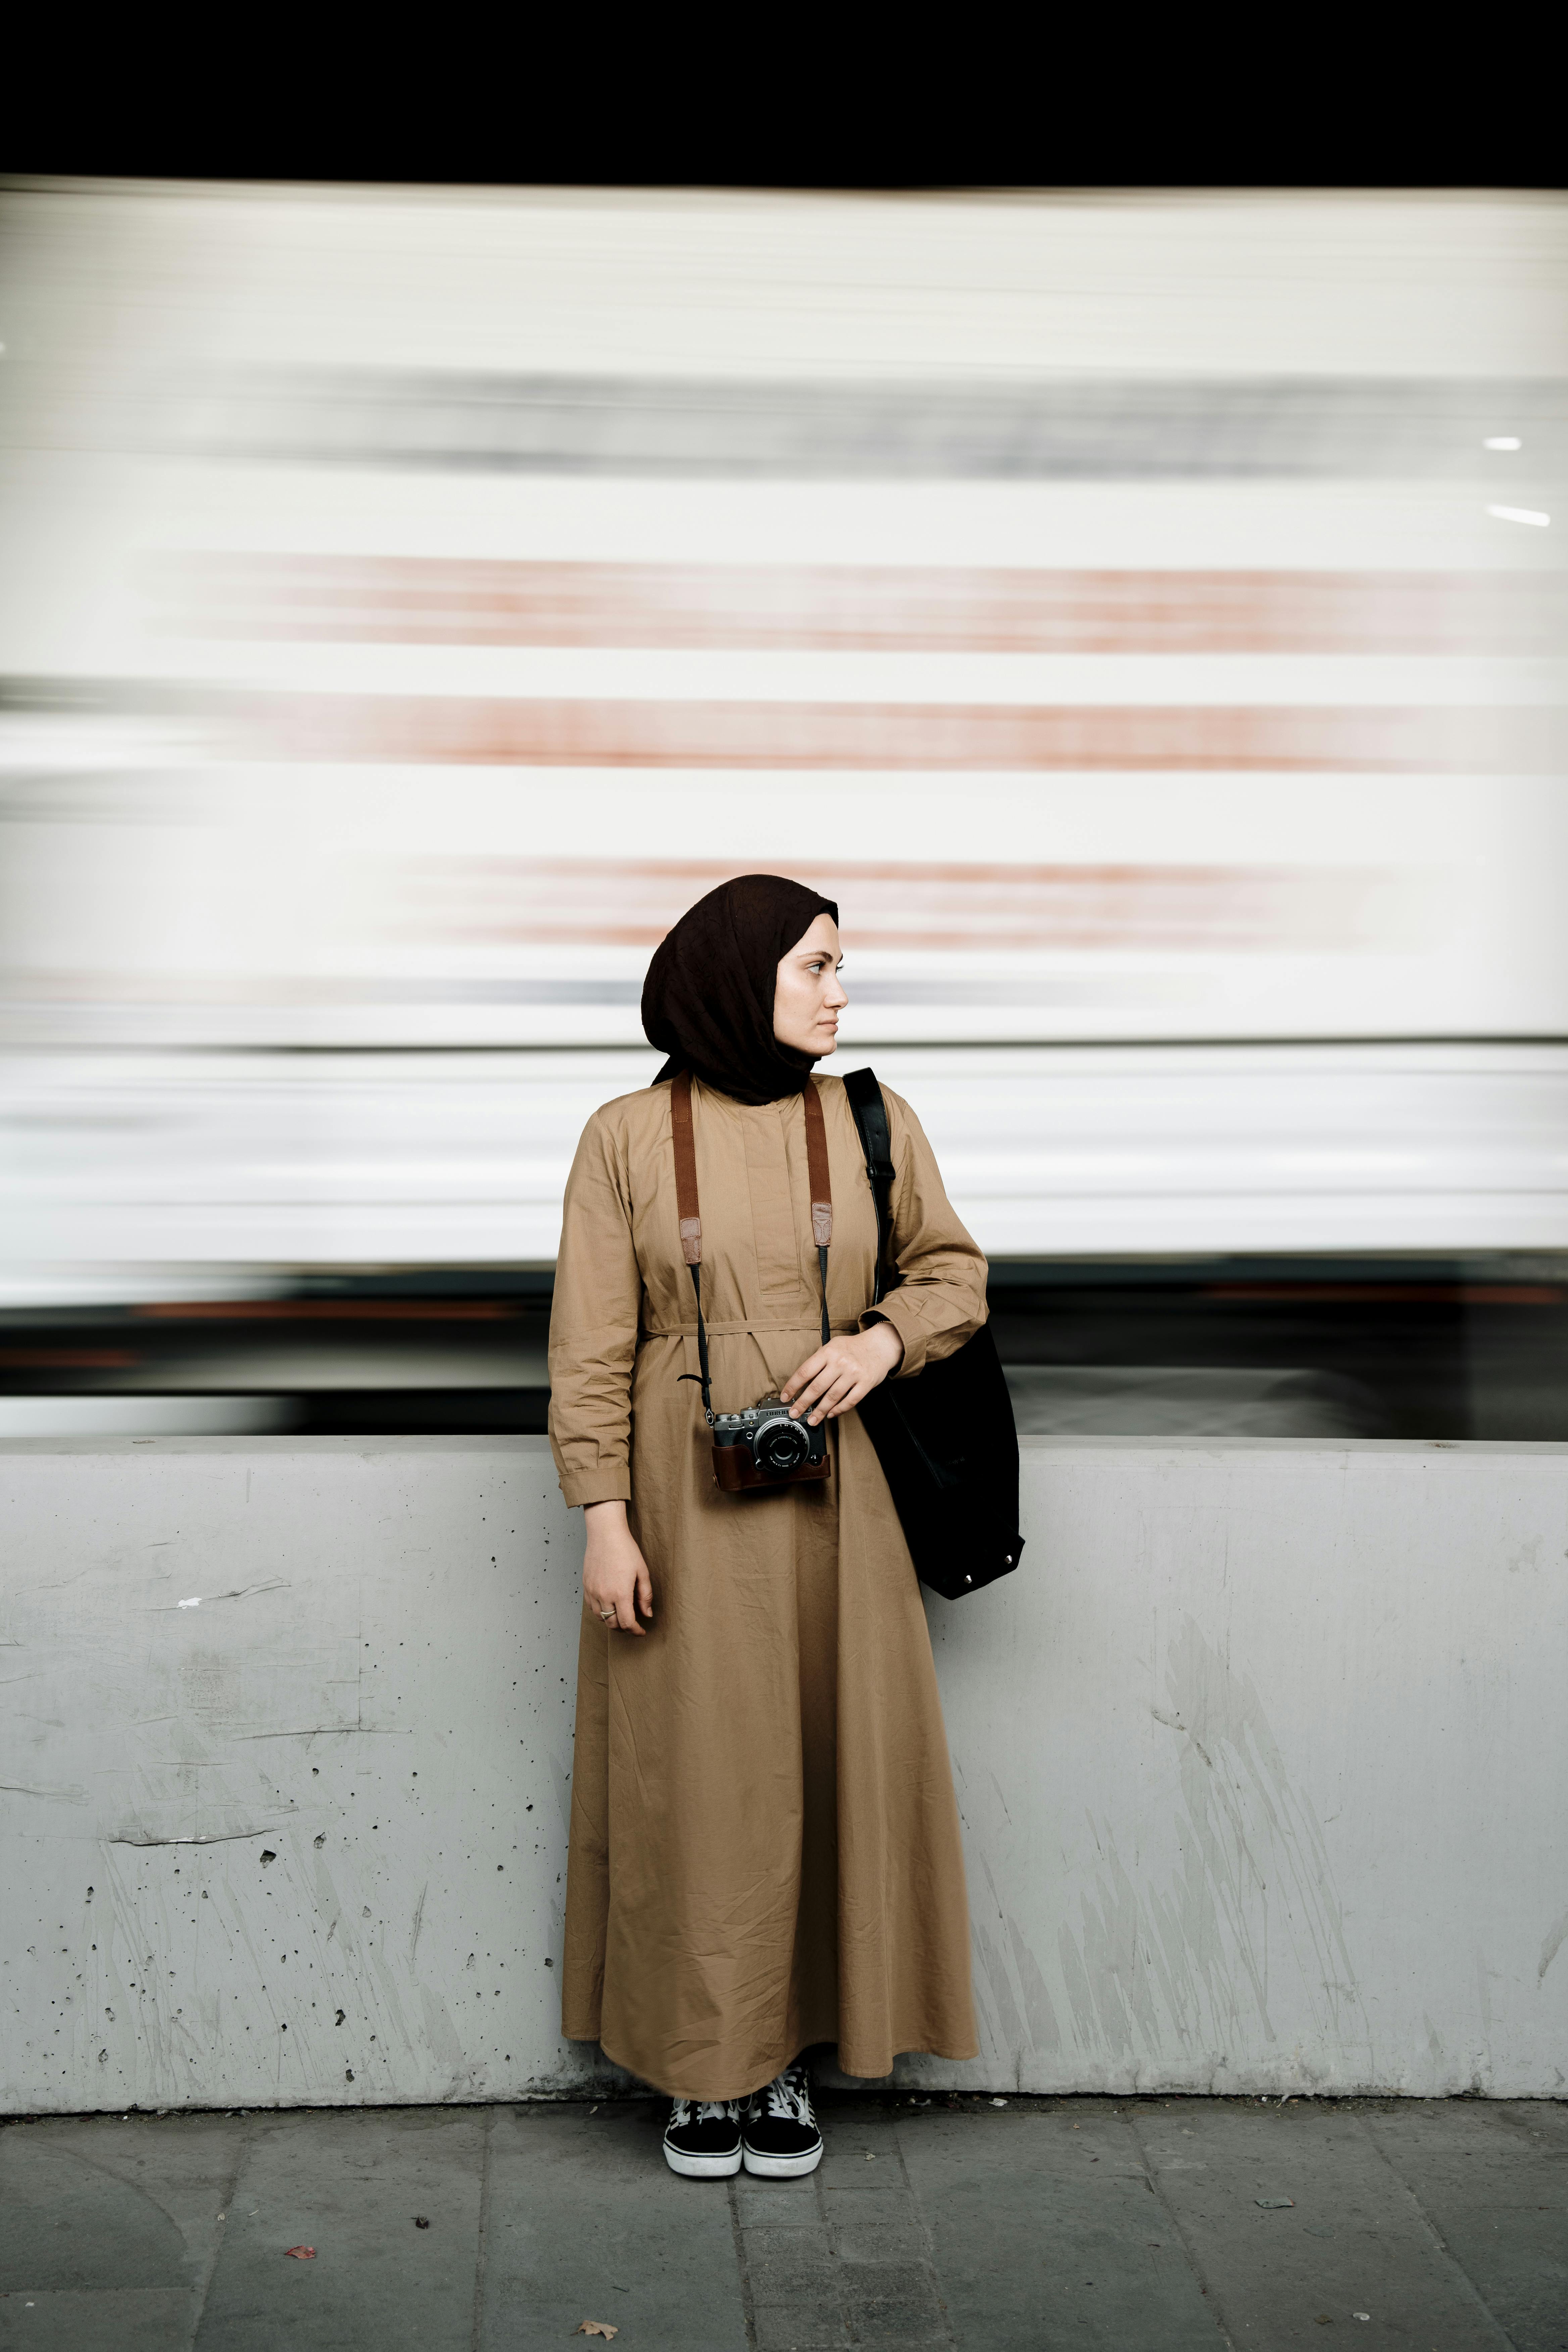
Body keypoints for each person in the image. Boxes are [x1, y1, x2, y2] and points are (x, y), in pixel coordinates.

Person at [547, 873, 985, 2178]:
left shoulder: (870, 1121)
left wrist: (884, 1340)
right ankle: (703, 2066)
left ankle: (788, 2058)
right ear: (740, 976)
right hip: (684, 1513)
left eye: (839, 967)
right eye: (816, 966)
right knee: (699, 1790)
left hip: (845, 1511)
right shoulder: (624, 1138)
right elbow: (588, 1348)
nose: (841, 991)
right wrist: (605, 1520)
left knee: (822, 1771)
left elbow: (952, 1273)